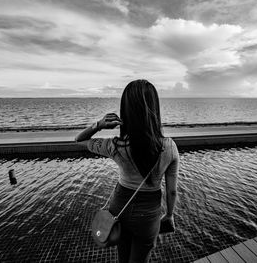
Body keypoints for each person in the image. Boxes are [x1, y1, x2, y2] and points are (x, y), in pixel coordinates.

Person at [75, 79, 179, 263]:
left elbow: (79, 140)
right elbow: (172, 191)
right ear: (155, 109)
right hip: (149, 216)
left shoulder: (115, 146)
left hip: (119, 209)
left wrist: (98, 124)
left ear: (126, 110)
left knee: (122, 257)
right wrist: (169, 215)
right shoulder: (169, 147)